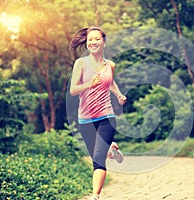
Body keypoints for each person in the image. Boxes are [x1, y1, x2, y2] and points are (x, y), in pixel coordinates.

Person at [68, 26, 127, 200]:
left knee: (98, 159)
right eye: (89, 40)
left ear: (104, 42)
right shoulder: (81, 64)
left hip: (106, 117)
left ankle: (95, 196)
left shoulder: (111, 65)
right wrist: (89, 85)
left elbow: (110, 81)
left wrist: (118, 94)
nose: (93, 42)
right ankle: (111, 148)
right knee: (97, 152)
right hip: (85, 119)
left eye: (96, 39)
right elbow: (73, 90)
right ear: (86, 44)